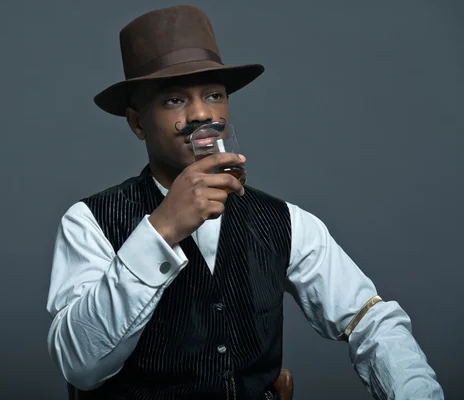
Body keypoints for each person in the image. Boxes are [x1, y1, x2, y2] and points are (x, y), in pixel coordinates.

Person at [46, 5, 444, 400]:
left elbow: (371, 321)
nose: (202, 113)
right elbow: (80, 365)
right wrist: (161, 231)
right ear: (137, 123)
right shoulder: (90, 221)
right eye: (173, 100)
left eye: (214, 95)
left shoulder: (286, 221)